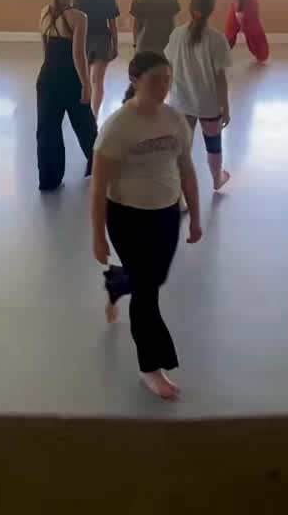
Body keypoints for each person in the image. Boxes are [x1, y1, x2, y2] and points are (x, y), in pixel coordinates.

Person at [91, 51, 203, 400]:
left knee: (152, 279)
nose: (164, 86)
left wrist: (196, 216)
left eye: (168, 80)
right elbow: (99, 185)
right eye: (156, 79)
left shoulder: (174, 119)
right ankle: (151, 367)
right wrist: (97, 235)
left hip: (166, 214)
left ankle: (116, 282)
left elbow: (187, 170)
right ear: (135, 80)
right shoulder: (118, 126)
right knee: (148, 294)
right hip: (127, 217)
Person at [165, 0, 232, 191]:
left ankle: (180, 195)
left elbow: (169, 68)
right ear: (212, 8)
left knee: (182, 151)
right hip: (209, 104)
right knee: (213, 144)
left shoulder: (176, 35)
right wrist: (225, 106)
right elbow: (220, 78)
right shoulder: (217, 39)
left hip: (181, 103)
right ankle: (217, 179)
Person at [36, 0, 98, 191]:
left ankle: (49, 180)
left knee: (47, 130)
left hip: (47, 77)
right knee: (86, 127)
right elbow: (78, 54)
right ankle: (101, 170)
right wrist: (86, 85)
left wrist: (48, 69)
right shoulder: (78, 17)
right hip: (70, 79)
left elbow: (45, 47)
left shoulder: (44, 11)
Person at [74, 0, 121, 119]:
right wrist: (115, 46)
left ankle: (85, 113)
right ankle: (94, 115)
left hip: (84, 39)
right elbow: (113, 25)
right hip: (103, 39)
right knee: (98, 82)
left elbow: (74, 21)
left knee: (84, 80)